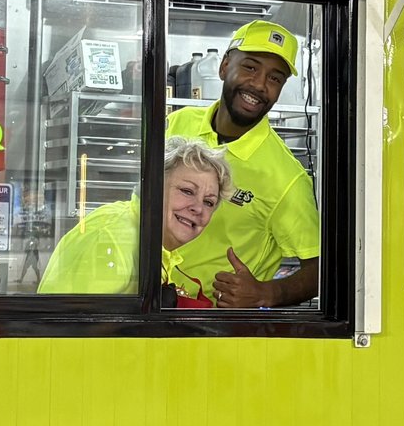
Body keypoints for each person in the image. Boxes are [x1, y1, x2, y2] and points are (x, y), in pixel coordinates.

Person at [167, 19, 320, 309]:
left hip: (213, 325)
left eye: (275, 78)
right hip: (146, 303)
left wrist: (267, 293)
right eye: (250, 67)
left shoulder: (287, 178)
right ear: (225, 66)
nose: (260, 85)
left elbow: (320, 270)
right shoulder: (176, 124)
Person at [38, 136, 231, 301]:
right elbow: (73, 333)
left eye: (209, 202)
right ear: (154, 186)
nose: (198, 208)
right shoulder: (113, 239)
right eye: (187, 191)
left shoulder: (151, 241)